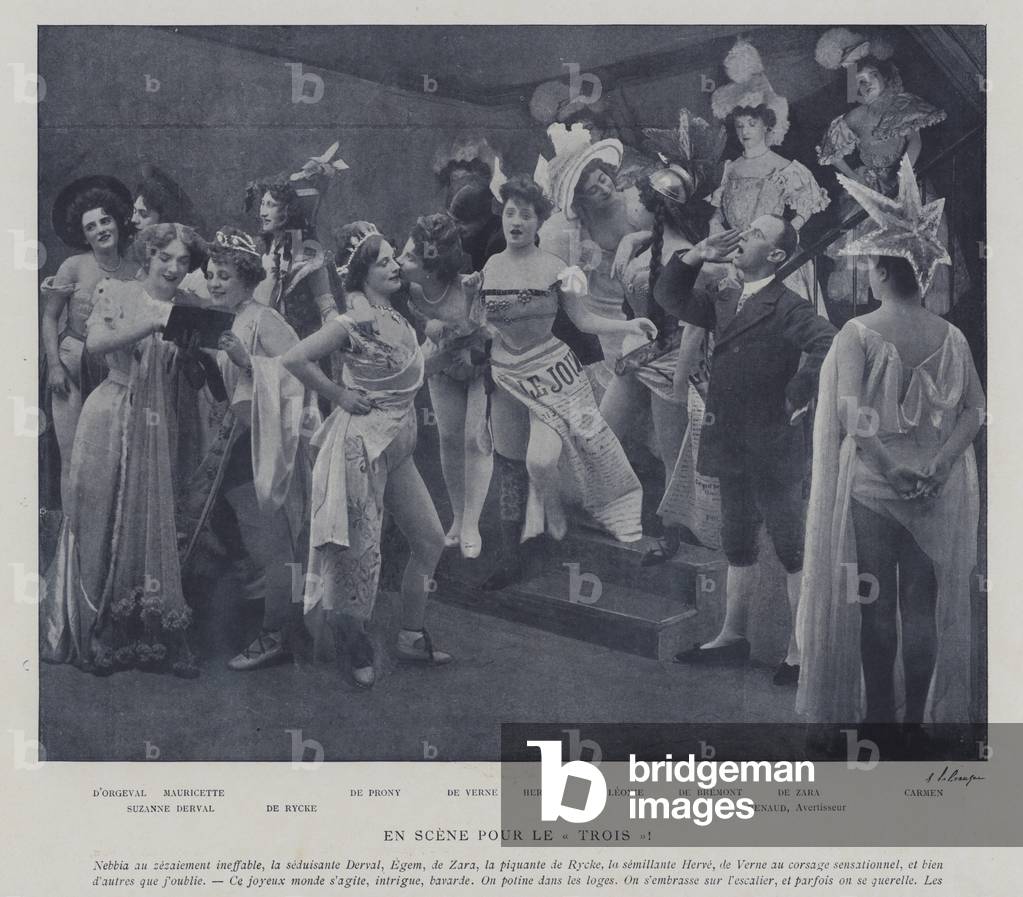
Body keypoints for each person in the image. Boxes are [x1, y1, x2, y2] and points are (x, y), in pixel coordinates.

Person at [796, 158, 984, 730]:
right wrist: (938, 464)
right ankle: (913, 724)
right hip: (937, 488)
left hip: (877, 488)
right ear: (922, 274)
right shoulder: (951, 335)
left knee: (876, 607)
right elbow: (975, 411)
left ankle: (880, 719)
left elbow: (852, 415)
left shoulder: (858, 334)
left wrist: (890, 466)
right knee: (921, 607)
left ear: (878, 271)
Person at [660, 215, 836, 686]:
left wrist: (801, 386)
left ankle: (799, 654)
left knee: (790, 546)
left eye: (756, 234)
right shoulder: (725, 296)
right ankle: (732, 637)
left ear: (776, 257)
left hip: (774, 443)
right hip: (732, 440)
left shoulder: (788, 305)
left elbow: (829, 342)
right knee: (737, 541)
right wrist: (696, 255)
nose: (743, 237)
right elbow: (670, 297)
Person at [40, 223, 216, 677]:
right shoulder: (117, 291)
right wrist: (152, 322)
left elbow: (194, 380)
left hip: (159, 421)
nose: (175, 268)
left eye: (183, 261)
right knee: (97, 514)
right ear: (149, 256)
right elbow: (96, 345)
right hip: (111, 410)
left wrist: (198, 355)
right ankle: (95, 632)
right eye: (166, 258)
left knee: (149, 517)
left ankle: (150, 631)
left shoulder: (188, 308)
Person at [282, 224, 451, 689]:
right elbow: (295, 359)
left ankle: (411, 636)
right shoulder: (353, 318)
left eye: (395, 257)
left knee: (431, 540)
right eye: (383, 261)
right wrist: (339, 394)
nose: (396, 266)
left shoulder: (391, 312)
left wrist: (453, 344)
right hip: (360, 450)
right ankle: (353, 645)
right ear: (362, 272)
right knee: (358, 555)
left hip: (397, 445)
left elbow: (409, 377)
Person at [479, 174, 653, 590]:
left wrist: (629, 321)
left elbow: (584, 318)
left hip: (551, 373)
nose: (516, 222)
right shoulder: (489, 265)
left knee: (541, 460)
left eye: (526, 214)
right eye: (510, 213)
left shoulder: (562, 268)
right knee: (509, 465)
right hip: (506, 375)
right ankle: (510, 558)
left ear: (540, 222)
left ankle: (555, 511)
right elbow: (484, 322)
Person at [202, 227, 312, 671]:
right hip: (239, 435)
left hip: (269, 439)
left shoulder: (264, 319)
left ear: (247, 279)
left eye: (223, 276)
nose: (213, 283)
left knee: (273, 536)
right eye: (210, 274)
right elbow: (226, 388)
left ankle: (276, 634)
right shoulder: (224, 320)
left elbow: (302, 371)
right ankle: (275, 618)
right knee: (250, 531)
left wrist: (250, 363)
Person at [814, 30, 964, 316]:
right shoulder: (853, 117)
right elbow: (832, 155)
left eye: (871, 77)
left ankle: (918, 306)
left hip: (904, 182)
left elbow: (915, 141)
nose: (865, 84)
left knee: (916, 240)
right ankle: (880, 308)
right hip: (871, 186)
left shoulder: (902, 105)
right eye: (859, 82)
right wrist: (856, 178)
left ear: (884, 77)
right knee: (869, 246)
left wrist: (902, 174)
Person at [40, 176, 140, 513]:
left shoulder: (136, 272)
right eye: (91, 226)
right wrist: (54, 365)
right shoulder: (73, 267)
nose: (100, 229)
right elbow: (51, 318)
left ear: (117, 222)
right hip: (69, 364)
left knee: (107, 457)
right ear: (83, 235)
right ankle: (72, 543)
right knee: (72, 457)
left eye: (105, 220)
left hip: (113, 370)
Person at [397, 212, 493, 558]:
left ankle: (472, 524)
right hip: (443, 369)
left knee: (474, 439)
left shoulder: (468, 285)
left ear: (431, 267)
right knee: (450, 438)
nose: (399, 261)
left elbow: (483, 335)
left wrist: (469, 305)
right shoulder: (409, 291)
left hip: (480, 366)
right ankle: (458, 516)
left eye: (409, 257)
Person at [709, 40, 830, 305]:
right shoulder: (730, 167)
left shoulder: (784, 166)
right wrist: (717, 229)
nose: (745, 132)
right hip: (735, 258)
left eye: (752, 124)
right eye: (740, 126)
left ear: (766, 126)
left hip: (772, 258)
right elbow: (718, 213)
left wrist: (786, 234)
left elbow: (806, 206)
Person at [537, 124, 645, 388]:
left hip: (646, 299)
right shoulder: (575, 228)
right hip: (608, 312)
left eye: (602, 179)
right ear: (581, 200)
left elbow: (667, 233)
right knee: (622, 382)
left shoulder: (635, 201)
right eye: (593, 190)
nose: (604, 189)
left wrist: (633, 240)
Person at [130, 163, 209, 298]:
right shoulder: (131, 258)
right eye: (134, 211)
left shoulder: (192, 276)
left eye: (143, 214)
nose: (133, 219)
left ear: (163, 218)